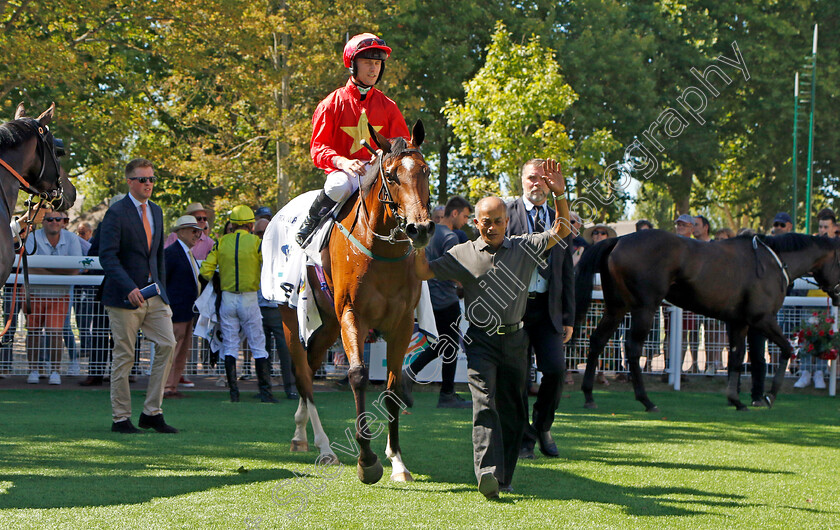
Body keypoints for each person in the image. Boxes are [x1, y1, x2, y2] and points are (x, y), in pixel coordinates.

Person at [414, 161, 571, 499]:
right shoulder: (462, 253)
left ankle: (505, 477)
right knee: (484, 406)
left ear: (507, 222)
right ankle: (487, 474)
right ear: (476, 223)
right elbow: (424, 272)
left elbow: (562, 230)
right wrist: (416, 242)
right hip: (481, 342)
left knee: (514, 412)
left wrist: (559, 194)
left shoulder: (524, 246)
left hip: (517, 339)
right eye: (486, 222)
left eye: (499, 221)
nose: (493, 227)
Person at [296, 32, 410, 245]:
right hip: (345, 173)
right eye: (367, 62)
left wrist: (383, 153)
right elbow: (318, 148)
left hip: (378, 172)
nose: (373, 68)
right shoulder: (330, 104)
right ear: (352, 65)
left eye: (377, 63)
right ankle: (310, 226)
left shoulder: (389, 106)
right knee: (337, 186)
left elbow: (402, 142)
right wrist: (343, 162)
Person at [99, 158, 178, 434]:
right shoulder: (116, 212)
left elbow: (157, 256)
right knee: (125, 356)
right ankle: (121, 418)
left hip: (154, 295)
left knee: (168, 344)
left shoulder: (156, 211)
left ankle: (151, 413)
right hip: (124, 297)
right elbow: (106, 256)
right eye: (143, 179)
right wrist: (128, 287)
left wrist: (161, 289)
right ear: (130, 181)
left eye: (152, 179)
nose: (148, 184)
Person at [505, 159, 575, 460]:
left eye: (543, 179)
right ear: (521, 180)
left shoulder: (561, 217)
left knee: (556, 371)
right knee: (517, 378)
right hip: (514, 311)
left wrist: (570, 317)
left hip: (549, 312)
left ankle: (543, 425)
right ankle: (524, 437)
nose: (537, 184)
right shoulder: (505, 214)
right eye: (532, 178)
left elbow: (567, 270)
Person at [200, 205, 278, 403]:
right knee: (258, 345)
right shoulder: (256, 243)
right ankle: (266, 393)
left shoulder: (220, 242)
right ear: (251, 224)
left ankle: (234, 394)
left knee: (230, 345)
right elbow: (269, 266)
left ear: (232, 225)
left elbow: (206, 272)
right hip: (250, 298)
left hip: (227, 298)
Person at [402, 195, 473, 409]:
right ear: (454, 213)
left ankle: (414, 376)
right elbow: (451, 271)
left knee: (443, 343)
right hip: (445, 299)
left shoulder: (428, 235)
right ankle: (445, 393)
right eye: (465, 216)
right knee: (448, 344)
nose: (466, 221)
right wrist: (465, 282)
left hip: (426, 297)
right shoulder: (451, 237)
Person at [24, 209, 82, 385]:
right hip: (34, 293)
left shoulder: (72, 238)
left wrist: (44, 268)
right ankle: (33, 369)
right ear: (43, 221)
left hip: (60, 294)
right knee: (33, 333)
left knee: (56, 333)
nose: (54, 222)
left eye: (58, 219)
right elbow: (29, 266)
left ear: (64, 221)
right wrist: (61, 270)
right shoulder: (32, 237)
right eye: (50, 219)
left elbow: (75, 269)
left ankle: (55, 371)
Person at [255, 217, 297, 400]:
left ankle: (291, 388)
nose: (262, 237)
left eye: (265, 233)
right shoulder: (252, 251)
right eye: (258, 233)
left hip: (279, 308)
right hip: (258, 308)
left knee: (286, 351)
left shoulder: (284, 250)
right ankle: (264, 390)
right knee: (260, 352)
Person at [162, 215, 204, 399]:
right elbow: (163, 282)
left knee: (181, 350)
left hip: (186, 311)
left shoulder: (186, 253)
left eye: (199, 231)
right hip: (175, 311)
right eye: (193, 231)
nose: (197, 235)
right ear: (180, 232)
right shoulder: (172, 253)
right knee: (172, 350)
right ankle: (165, 386)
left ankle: (171, 386)